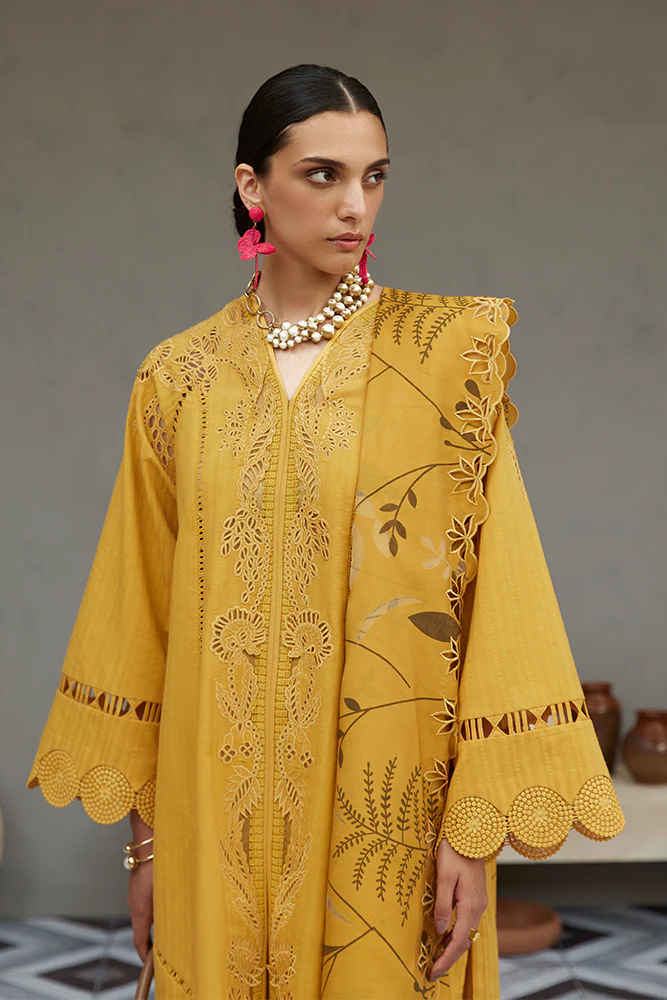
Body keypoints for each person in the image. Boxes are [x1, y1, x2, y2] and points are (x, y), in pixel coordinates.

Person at [27, 63, 625, 1000]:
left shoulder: (441, 362)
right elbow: (136, 620)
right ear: (252, 186)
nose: (355, 206)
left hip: (385, 822)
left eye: (373, 176)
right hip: (209, 820)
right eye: (323, 174)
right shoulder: (178, 380)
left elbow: (499, 595)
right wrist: (144, 848)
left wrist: (471, 837)